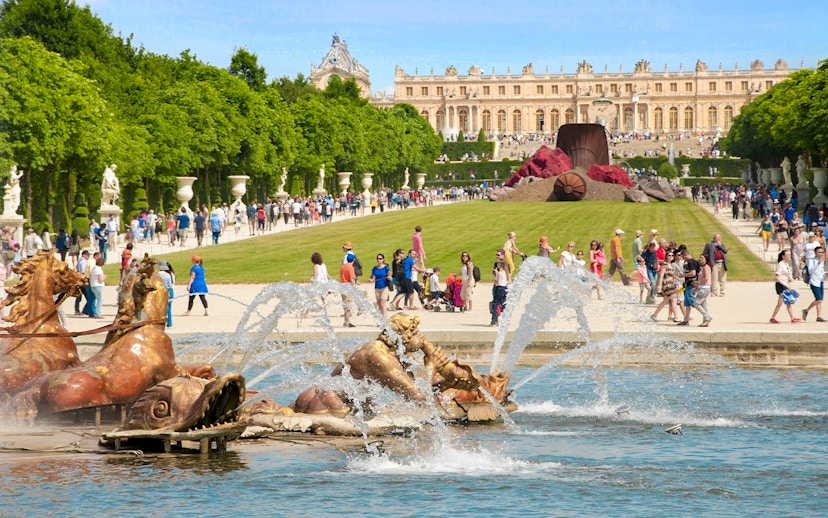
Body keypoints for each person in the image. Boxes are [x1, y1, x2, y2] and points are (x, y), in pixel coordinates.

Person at [770, 249, 800, 324]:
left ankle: (774, 317)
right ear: (783, 256)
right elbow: (777, 277)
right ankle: (791, 318)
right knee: (786, 302)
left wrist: (789, 279)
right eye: (787, 255)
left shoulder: (786, 264)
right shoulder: (780, 264)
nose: (789, 256)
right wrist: (785, 285)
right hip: (781, 285)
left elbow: (786, 273)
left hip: (785, 284)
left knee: (783, 302)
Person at [651, 249, 680, 322]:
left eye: (672, 255)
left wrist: (675, 284)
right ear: (666, 256)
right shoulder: (665, 264)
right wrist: (659, 285)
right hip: (666, 284)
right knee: (674, 298)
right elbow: (661, 275)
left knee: (666, 300)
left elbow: (673, 276)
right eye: (669, 255)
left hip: (671, 283)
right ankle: (676, 317)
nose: (671, 256)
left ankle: (654, 315)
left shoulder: (672, 265)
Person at [802, 247, 826, 322]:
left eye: (822, 252)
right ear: (815, 253)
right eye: (819, 252)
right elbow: (810, 270)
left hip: (820, 281)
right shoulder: (811, 261)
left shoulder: (822, 261)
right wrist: (817, 264)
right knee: (818, 299)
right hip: (814, 282)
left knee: (820, 300)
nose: (821, 254)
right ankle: (806, 310)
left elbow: (821, 271)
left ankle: (818, 316)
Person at [677, 248, 699, 326]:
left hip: (691, 285)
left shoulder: (692, 262)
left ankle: (706, 316)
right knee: (687, 304)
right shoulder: (692, 262)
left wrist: (683, 275)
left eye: (683, 257)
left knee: (695, 303)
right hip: (688, 285)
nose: (683, 258)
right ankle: (686, 320)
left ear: (686, 255)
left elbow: (693, 273)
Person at [368, 252, 392, 316]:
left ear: (383, 259)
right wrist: (370, 279)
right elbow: (371, 276)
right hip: (377, 288)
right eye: (378, 258)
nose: (379, 260)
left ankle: (384, 319)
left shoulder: (386, 267)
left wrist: (389, 277)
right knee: (379, 304)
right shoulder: (375, 268)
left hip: (384, 287)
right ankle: (381, 318)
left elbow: (389, 273)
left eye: (380, 258)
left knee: (382, 303)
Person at [693, 254, 713, 326]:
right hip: (702, 288)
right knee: (704, 305)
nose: (700, 259)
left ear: (706, 259)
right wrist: (696, 288)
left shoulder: (706, 267)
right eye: (700, 257)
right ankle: (705, 321)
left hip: (704, 288)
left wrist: (698, 283)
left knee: (696, 303)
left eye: (702, 258)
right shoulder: (702, 267)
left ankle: (707, 317)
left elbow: (706, 278)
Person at [339, 252, 357, 327]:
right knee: (349, 305)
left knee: (345, 304)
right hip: (348, 286)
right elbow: (352, 279)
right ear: (353, 260)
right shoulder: (351, 267)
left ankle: (346, 321)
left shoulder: (342, 267)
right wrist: (354, 286)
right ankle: (347, 322)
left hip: (342, 286)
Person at [157, 259, 175, 327]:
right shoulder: (168, 275)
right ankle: (169, 322)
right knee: (169, 307)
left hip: (162, 291)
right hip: (170, 290)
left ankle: (162, 322)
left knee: (161, 308)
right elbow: (170, 284)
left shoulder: (158, 274)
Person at [490, 259, 508, 326]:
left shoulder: (500, 273)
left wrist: (494, 281)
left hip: (499, 288)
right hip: (504, 288)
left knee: (495, 304)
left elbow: (498, 283)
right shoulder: (504, 272)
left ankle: (495, 321)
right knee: (503, 303)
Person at [75, 250, 90, 315]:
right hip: (82, 281)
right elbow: (83, 272)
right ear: (84, 255)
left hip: (80, 280)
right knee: (87, 296)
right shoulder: (83, 262)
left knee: (80, 296)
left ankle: (80, 310)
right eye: (87, 255)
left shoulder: (80, 261)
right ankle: (84, 310)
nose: (88, 257)